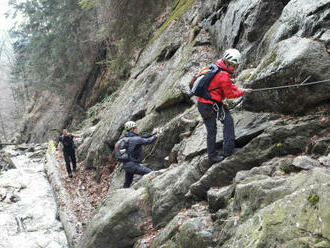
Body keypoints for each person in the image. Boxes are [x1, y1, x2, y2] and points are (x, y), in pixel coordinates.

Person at [197, 48, 251, 164]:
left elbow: (228, 85)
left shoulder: (218, 66)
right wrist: (243, 92)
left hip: (211, 102)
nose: (235, 68)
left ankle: (228, 150)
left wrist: (240, 89)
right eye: (234, 66)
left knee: (228, 121)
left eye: (236, 66)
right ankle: (212, 156)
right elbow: (230, 95)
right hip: (207, 105)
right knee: (212, 130)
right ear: (227, 63)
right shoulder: (223, 75)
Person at [121, 121, 160, 188]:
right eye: (135, 128)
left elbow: (142, 137)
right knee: (151, 173)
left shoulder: (126, 139)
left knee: (127, 183)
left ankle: (120, 196)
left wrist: (152, 134)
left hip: (126, 165)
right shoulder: (135, 139)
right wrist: (156, 135)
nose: (137, 129)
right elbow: (148, 141)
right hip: (133, 165)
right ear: (132, 130)